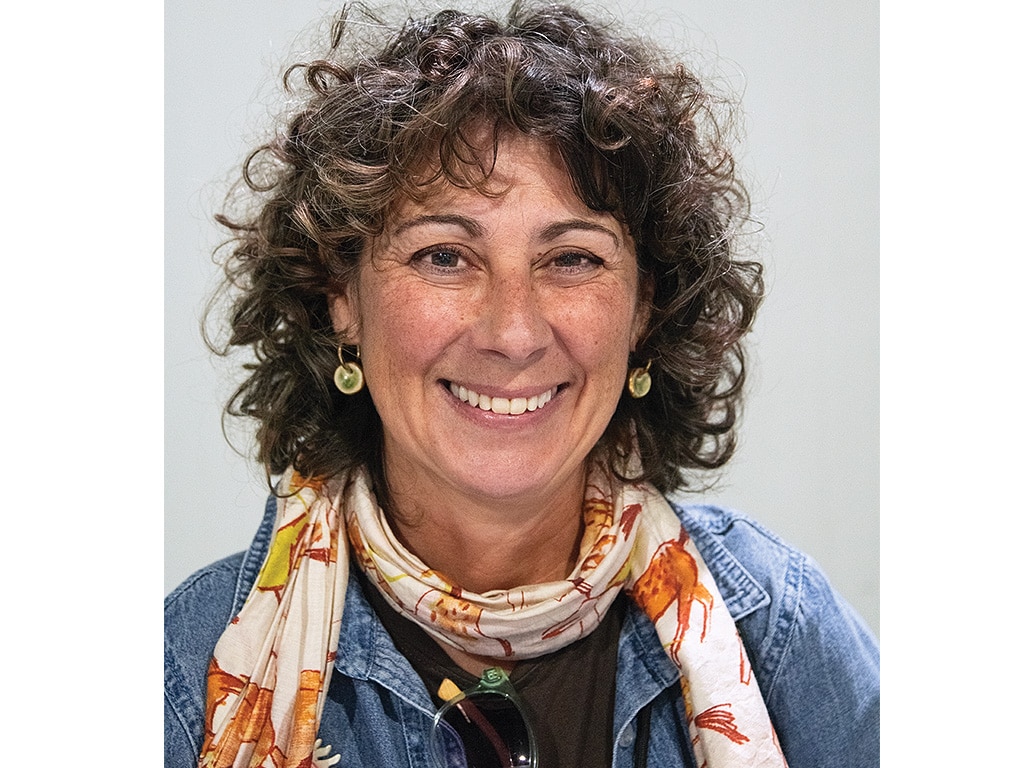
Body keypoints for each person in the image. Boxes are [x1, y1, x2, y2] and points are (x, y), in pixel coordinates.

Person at [164, 3, 880, 767]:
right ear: (341, 296)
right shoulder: (185, 674)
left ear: (645, 310)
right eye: (444, 256)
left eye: (572, 259)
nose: (513, 333)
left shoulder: (776, 628)